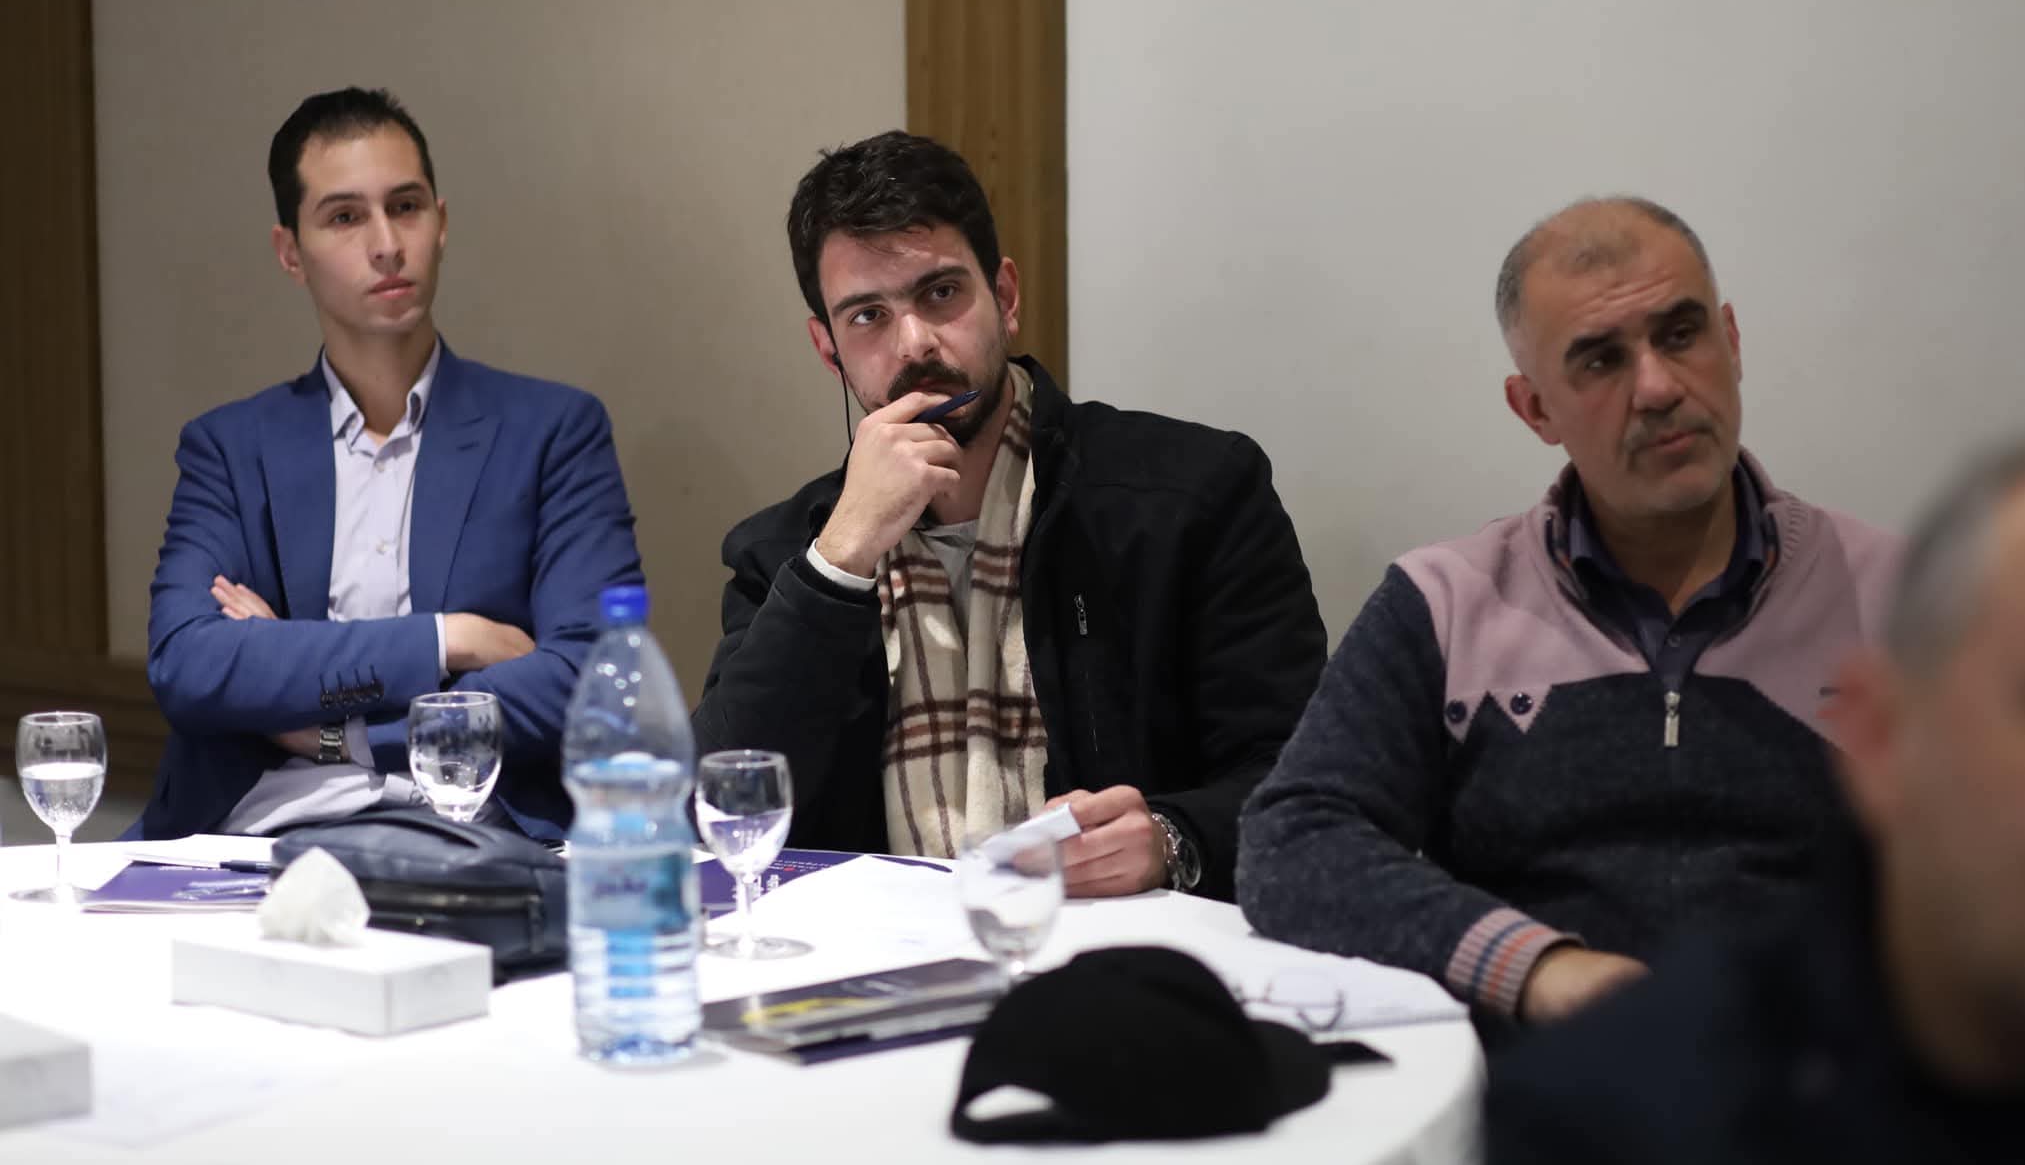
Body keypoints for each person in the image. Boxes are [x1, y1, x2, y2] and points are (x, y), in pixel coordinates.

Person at [1238, 197, 1898, 1024]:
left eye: (1681, 334)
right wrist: (1539, 969)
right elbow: (1291, 841)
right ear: (1535, 409)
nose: (1657, 387)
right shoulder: (1447, 604)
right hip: (1543, 1071)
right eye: (1600, 360)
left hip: (1820, 1072)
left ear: (1731, 342)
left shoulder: (1901, 600)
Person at [693, 131, 1325, 899]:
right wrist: (842, 559)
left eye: (940, 294)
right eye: (868, 317)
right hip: (883, 951)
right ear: (829, 351)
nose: (915, 344)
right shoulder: (787, 553)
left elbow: (1304, 778)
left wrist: (1172, 837)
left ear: (1007, 297)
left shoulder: (1194, 495)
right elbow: (722, 811)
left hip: (1119, 943)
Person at [1485, 440, 2025, 1164]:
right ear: (1881, 736)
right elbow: (1330, 828)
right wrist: (1532, 963)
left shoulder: (1870, 575)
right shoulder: (1600, 1118)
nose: (1656, 390)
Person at [135, 87, 642, 840]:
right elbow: (190, 663)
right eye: (345, 217)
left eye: (405, 207)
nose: (386, 244)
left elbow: (592, 681)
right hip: (256, 835)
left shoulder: (553, 432)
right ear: (290, 252)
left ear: (442, 223)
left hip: (476, 831)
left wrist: (337, 733)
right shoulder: (231, 449)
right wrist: (448, 639)